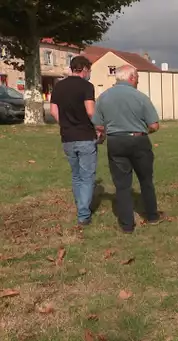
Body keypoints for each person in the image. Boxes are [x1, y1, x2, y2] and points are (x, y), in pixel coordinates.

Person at [91, 65, 163, 234]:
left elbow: (99, 124)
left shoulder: (103, 97)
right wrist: (146, 130)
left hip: (116, 142)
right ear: (131, 78)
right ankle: (152, 215)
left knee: (122, 185)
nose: (138, 80)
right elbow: (154, 125)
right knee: (146, 180)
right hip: (139, 141)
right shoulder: (141, 97)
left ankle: (127, 225)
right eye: (137, 77)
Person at [49, 55, 98, 226]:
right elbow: (91, 112)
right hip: (85, 136)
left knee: (76, 175)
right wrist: (100, 128)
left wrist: (64, 124)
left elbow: (54, 111)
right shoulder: (87, 86)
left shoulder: (58, 86)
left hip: (67, 137)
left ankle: (80, 205)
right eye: (89, 70)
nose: (89, 73)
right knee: (87, 176)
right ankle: (83, 214)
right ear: (84, 69)